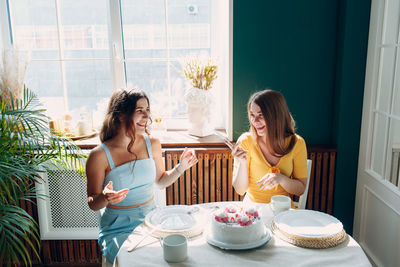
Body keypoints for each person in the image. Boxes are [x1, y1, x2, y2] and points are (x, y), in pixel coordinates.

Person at [86, 88, 197, 264]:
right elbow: (92, 202)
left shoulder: (152, 143)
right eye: (139, 111)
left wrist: (180, 167)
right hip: (117, 227)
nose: (146, 117)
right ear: (121, 115)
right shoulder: (98, 155)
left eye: (147, 110)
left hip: (151, 220)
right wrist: (104, 198)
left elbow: (160, 181)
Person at [231, 89, 308, 204]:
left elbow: (300, 189)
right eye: (252, 115)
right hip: (253, 210)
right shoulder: (246, 141)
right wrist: (241, 162)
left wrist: (280, 179)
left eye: (261, 115)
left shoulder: (297, 143)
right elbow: (240, 190)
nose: (255, 121)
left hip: (282, 210)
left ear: (277, 116)